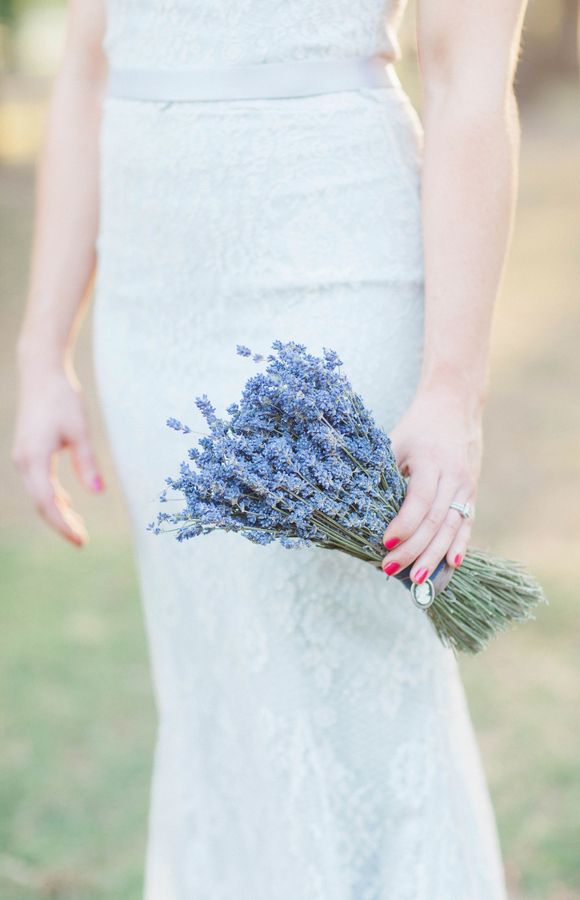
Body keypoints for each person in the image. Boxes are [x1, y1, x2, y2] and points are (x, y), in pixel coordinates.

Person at [12, 0, 528, 897]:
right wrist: (42, 348)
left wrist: (451, 389)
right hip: (151, 298)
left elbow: (467, 77)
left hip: (329, 259)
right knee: (217, 688)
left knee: (349, 692)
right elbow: (89, 64)